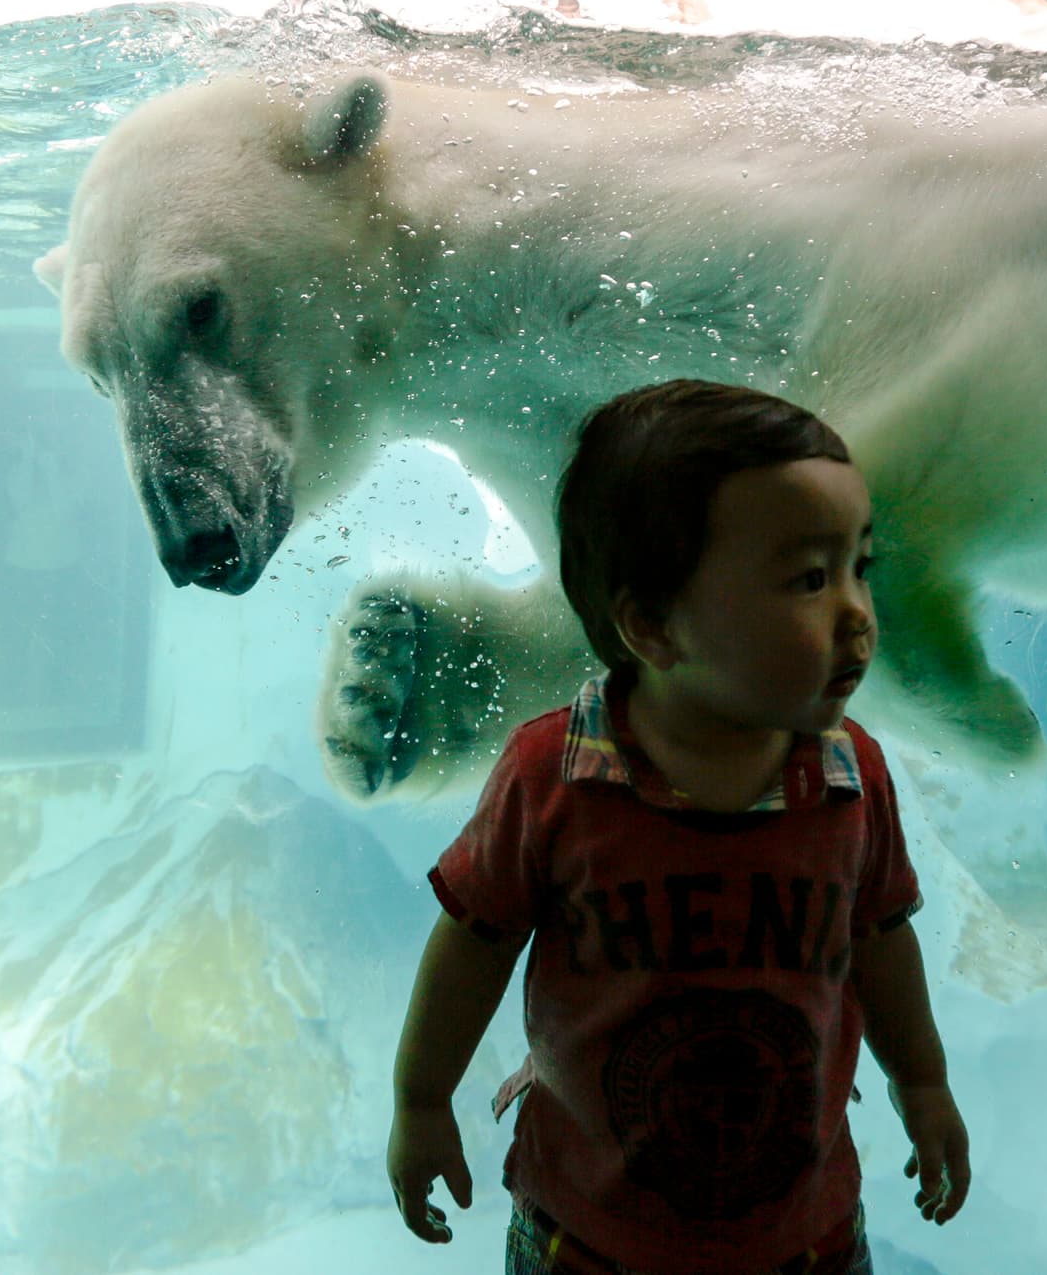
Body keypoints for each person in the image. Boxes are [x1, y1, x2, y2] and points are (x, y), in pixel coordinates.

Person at [386, 379, 971, 1274]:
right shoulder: (553, 777)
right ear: (653, 627)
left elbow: (880, 937)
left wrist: (922, 1081)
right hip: (587, 1242)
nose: (858, 611)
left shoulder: (851, 778)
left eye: (860, 566)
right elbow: (475, 939)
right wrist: (422, 1099)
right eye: (809, 580)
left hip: (804, 1240)